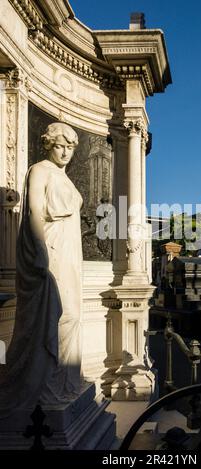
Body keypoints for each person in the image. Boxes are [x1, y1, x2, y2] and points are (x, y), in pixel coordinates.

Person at [0, 122, 83, 415]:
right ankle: (42, 384)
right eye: (59, 146)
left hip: (70, 252)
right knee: (56, 316)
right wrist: (39, 256)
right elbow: (34, 211)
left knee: (72, 315)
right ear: (48, 145)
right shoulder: (39, 170)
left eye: (70, 147)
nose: (64, 152)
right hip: (50, 250)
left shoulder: (65, 178)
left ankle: (62, 381)